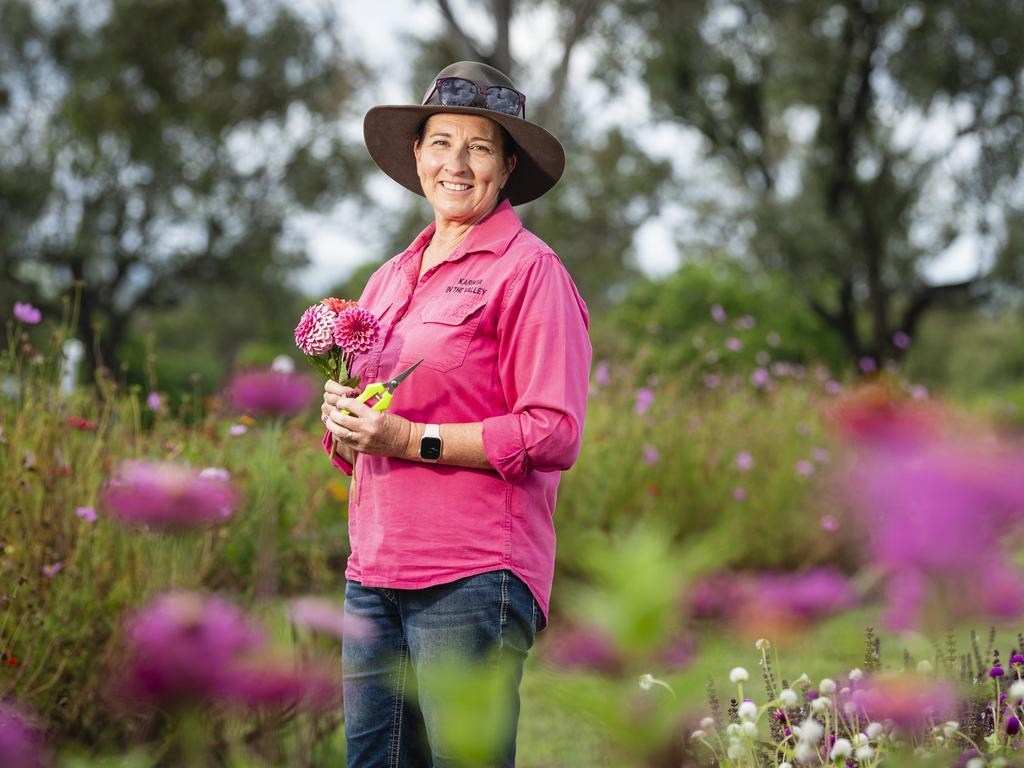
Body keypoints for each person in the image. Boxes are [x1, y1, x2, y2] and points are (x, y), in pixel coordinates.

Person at [319, 60, 591, 767]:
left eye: (479, 146)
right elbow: (371, 427)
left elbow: (553, 430)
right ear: (417, 157)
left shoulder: (529, 271)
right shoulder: (386, 279)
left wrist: (412, 437)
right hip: (374, 572)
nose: (457, 163)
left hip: (472, 576)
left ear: (506, 166)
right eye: (441, 142)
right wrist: (345, 417)